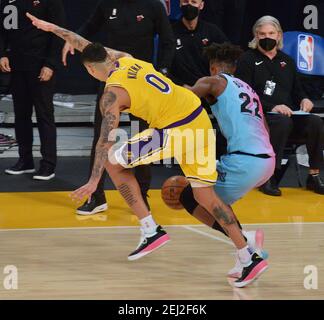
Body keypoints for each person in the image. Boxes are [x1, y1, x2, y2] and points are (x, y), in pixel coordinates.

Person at [27, 13, 268, 288]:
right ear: (109, 58)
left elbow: (104, 142)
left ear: (91, 71)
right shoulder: (127, 58)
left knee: (111, 160)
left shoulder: (110, 94)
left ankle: (149, 229)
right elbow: (86, 45)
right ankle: (247, 255)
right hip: (199, 121)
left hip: (175, 130)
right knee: (205, 194)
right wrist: (54, 28)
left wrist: (94, 182)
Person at [62, 0, 175, 215]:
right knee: (101, 136)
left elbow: (168, 41)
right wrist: (72, 40)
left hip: (140, 84)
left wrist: (162, 71)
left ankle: (141, 194)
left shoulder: (153, 6)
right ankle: (96, 197)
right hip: (111, 80)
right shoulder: (106, 4)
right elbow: (88, 27)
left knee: (142, 137)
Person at [179, 42, 275, 279]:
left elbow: (187, 98)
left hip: (245, 161)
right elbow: (265, 127)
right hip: (267, 159)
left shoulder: (213, 81)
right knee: (216, 199)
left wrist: (175, 88)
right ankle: (244, 249)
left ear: (213, 67)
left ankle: (247, 250)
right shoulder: (248, 89)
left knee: (191, 195)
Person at [235, 15, 324, 196]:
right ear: (255, 36)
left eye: (271, 33)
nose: (266, 37)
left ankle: (313, 175)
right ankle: (269, 177)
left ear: (279, 35)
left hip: (289, 115)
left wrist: (305, 100)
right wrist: (272, 107)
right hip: (260, 116)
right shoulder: (247, 59)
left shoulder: (287, 61)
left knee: (315, 122)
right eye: (262, 34)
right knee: (282, 122)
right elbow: (244, 94)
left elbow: (297, 91)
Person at [0, 0, 65, 180]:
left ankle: (48, 165)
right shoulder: (8, 1)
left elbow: (58, 32)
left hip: (40, 65)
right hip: (16, 65)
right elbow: (3, 29)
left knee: (44, 114)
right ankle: (25, 160)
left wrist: (50, 64)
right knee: (21, 115)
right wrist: (2, 54)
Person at [169, 0, 228, 87]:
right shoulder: (170, 33)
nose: (189, 5)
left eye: (194, 2)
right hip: (181, 89)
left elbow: (228, 57)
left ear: (201, 5)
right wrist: (183, 86)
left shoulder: (212, 31)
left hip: (209, 89)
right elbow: (164, 68)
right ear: (180, 4)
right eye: (185, 2)